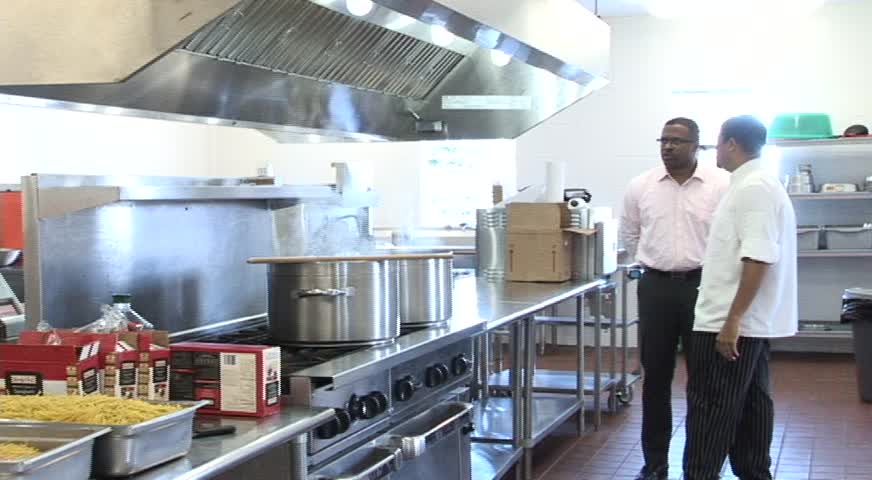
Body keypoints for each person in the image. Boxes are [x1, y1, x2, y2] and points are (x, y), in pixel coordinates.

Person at [683, 115, 798, 480]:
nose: (714, 150)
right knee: (751, 409)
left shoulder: (755, 188)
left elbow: (758, 257)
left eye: (717, 142)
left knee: (709, 413)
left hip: (728, 324)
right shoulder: (751, 184)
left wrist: (732, 320)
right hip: (743, 324)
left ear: (731, 144)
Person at [620, 117, 730, 480]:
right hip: (656, 289)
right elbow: (630, 236)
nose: (668, 147)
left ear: (696, 145)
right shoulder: (642, 186)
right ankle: (655, 464)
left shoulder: (721, 184)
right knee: (655, 380)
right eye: (663, 140)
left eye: (677, 141)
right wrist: (649, 268)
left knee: (703, 381)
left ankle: (698, 466)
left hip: (704, 288)